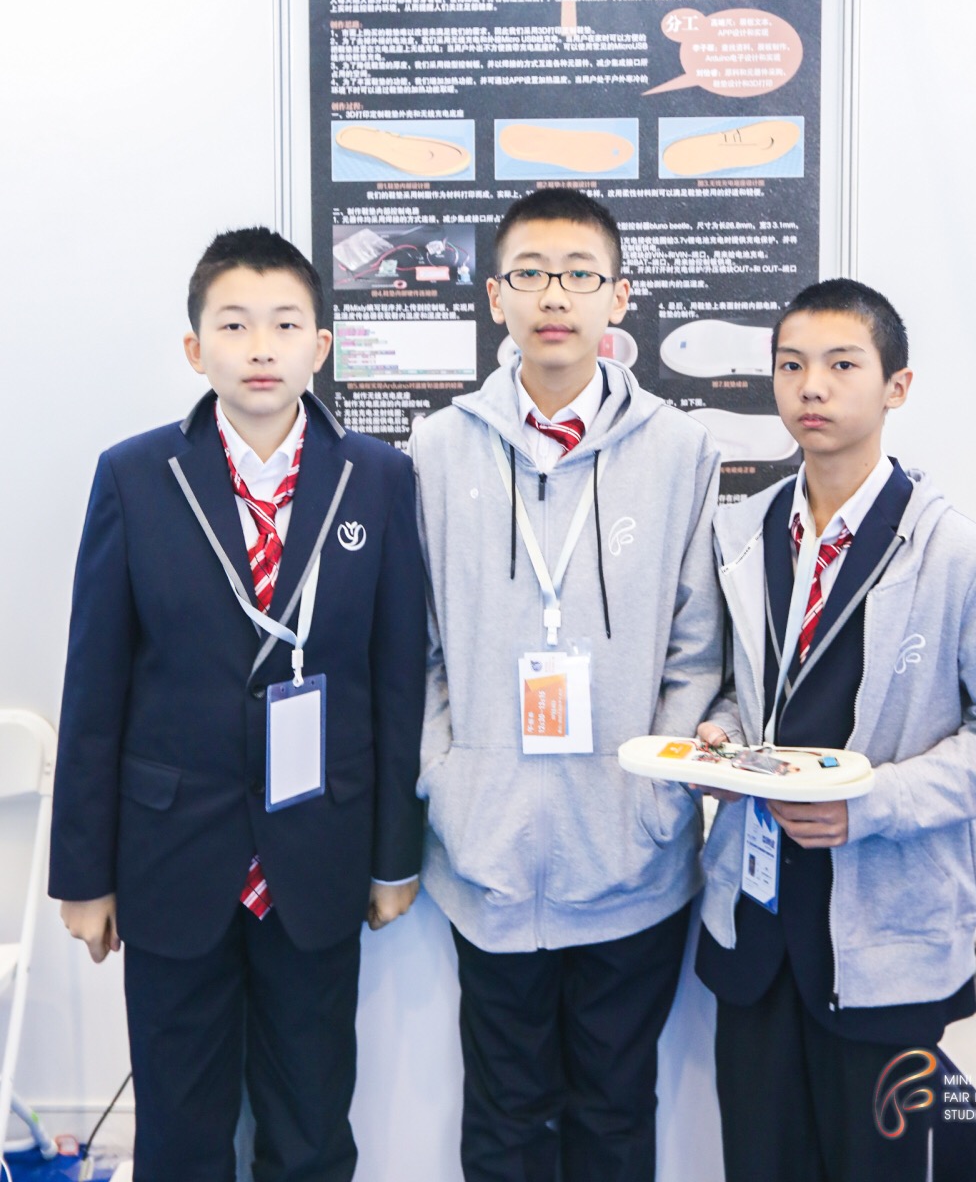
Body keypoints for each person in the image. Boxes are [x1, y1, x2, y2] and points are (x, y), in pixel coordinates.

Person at [50, 226, 427, 1182]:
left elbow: (395, 682)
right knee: (181, 1131)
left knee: (311, 1127)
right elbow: (93, 686)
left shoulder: (378, 478)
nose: (261, 347)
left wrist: (394, 857)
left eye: (285, 324)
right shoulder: (136, 476)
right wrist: (83, 875)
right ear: (195, 349)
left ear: (321, 346)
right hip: (171, 856)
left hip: (321, 850)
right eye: (234, 324)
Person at [695, 277, 976, 1182]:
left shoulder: (962, 557)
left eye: (841, 365)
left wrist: (874, 803)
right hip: (757, 929)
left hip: (887, 944)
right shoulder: (744, 534)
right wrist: (719, 739)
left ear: (897, 386)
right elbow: (744, 693)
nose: (811, 387)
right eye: (791, 366)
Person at [411, 186, 723, 1182]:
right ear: (494, 295)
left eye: (581, 274)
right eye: (532, 273)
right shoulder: (436, 450)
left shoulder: (680, 451)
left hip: (631, 856)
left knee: (614, 1113)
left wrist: (656, 795)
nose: (556, 295)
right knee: (503, 1119)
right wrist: (447, 781)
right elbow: (418, 646)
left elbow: (697, 648)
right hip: (488, 860)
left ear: (618, 297)